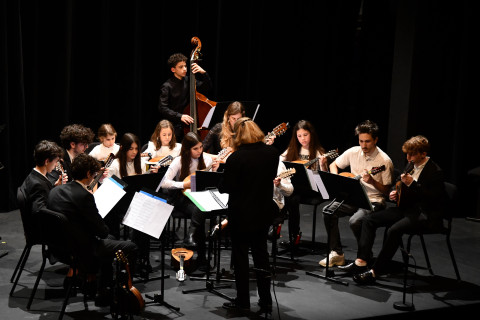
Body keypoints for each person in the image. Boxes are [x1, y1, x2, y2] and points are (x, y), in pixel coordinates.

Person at [353, 135, 447, 284]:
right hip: (406, 209)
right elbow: (399, 182)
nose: (408, 158)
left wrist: (413, 184)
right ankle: (362, 261)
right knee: (369, 219)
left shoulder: (435, 171)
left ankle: (375, 271)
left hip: (425, 214)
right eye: (407, 154)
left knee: (393, 230)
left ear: (423, 154)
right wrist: (394, 191)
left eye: (412, 154)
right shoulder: (411, 164)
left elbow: (433, 199)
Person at [47, 153, 138, 306]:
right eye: (94, 174)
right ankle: (121, 289)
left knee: (111, 241)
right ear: (89, 174)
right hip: (82, 248)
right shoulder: (84, 195)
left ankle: (102, 288)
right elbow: (101, 231)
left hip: (59, 246)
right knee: (131, 247)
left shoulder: (56, 191)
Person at [218, 117, 278, 316]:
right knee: (262, 255)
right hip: (263, 213)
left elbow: (226, 187)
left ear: (238, 135)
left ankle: (243, 302)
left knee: (241, 258)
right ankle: (266, 300)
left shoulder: (237, 158)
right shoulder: (272, 153)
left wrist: (223, 169)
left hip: (241, 215)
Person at [320, 119, 394, 268]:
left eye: (367, 141)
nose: (364, 145)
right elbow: (334, 164)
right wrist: (338, 177)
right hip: (353, 196)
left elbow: (387, 191)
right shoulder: (354, 151)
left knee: (355, 221)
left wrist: (372, 181)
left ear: (376, 140)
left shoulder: (384, 161)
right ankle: (337, 253)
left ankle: (364, 256)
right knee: (328, 211)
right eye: (361, 141)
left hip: (373, 200)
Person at [160, 131, 219, 271]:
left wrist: (214, 172)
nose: (200, 151)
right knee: (199, 211)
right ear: (187, 150)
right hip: (182, 198)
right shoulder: (178, 161)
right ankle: (202, 258)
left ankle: (191, 236)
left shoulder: (207, 160)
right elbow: (164, 182)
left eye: (200, 147)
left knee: (200, 208)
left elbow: (212, 183)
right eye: (195, 149)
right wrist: (182, 185)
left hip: (201, 197)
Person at [105, 133, 158, 268]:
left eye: (136, 149)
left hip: (137, 202)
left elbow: (148, 181)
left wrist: (153, 173)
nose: (134, 152)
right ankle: (126, 255)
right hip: (120, 205)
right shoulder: (115, 165)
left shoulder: (141, 163)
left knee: (145, 218)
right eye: (131, 149)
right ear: (123, 148)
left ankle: (142, 257)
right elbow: (109, 187)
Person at [280, 120, 329, 248]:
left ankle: (279, 223)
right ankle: (294, 236)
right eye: (299, 136)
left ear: (311, 134)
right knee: (292, 197)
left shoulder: (318, 151)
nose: (303, 139)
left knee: (289, 195)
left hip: (312, 189)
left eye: (305, 135)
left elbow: (324, 178)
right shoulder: (293, 149)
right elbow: (280, 161)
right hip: (296, 189)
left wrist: (323, 164)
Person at [158, 53, 212, 142]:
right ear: (173, 69)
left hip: (190, 124)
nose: (185, 69)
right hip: (174, 127)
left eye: (185, 66)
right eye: (181, 67)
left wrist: (204, 73)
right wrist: (180, 116)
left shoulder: (189, 80)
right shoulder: (167, 86)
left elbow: (207, 88)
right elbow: (162, 108)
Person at [19, 140, 66, 222]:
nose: (56, 165)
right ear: (47, 161)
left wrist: (55, 187)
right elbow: (40, 211)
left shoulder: (34, 176)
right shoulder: (37, 184)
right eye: (55, 162)